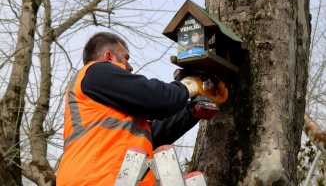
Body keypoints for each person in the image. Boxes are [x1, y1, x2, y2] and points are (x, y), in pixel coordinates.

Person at [56, 32, 228, 185]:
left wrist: (193, 109)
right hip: (96, 179)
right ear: (109, 57)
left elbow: (152, 135)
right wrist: (186, 87)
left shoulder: (109, 106)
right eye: (126, 58)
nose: (130, 67)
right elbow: (157, 99)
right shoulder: (95, 72)